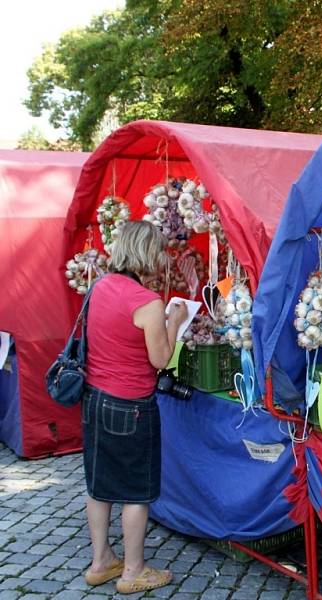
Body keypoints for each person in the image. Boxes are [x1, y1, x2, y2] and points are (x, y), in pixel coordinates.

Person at [81, 221, 188, 595]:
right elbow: (159, 359)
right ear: (145, 252)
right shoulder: (147, 302)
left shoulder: (98, 287)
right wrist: (175, 323)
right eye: (158, 250)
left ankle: (100, 563)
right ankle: (133, 570)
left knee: (99, 488)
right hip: (131, 407)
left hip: (94, 399)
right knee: (134, 492)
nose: (162, 257)